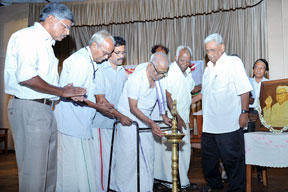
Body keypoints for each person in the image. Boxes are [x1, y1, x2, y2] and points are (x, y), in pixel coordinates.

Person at [4, 3, 86, 192]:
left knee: (48, 170)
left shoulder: (46, 43)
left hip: (45, 108)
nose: (67, 33)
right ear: (51, 19)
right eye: (65, 26)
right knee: (34, 171)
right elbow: (26, 77)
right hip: (30, 107)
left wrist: (62, 91)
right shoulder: (27, 37)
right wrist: (60, 92)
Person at [54, 30, 115, 191]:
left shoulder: (89, 61)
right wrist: (99, 107)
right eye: (106, 53)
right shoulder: (81, 62)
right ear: (94, 45)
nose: (107, 57)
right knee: (79, 171)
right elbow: (75, 96)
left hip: (77, 124)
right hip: (73, 125)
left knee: (74, 171)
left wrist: (100, 104)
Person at [193, 33, 252, 192]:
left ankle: (237, 189)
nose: (210, 54)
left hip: (229, 125)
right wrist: (185, 103)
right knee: (208, 162)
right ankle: (215, 186)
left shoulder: (233, 62)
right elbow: (203, 93)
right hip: (209, 126)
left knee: (233, 162)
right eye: (207, 51)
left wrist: (244, 112)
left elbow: (244, 89)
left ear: (222, 47)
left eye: (213, 50)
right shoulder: (207, 69)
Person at [114, 52, 170, 192]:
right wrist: (151, 123)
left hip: (145, 119)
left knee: (148, 154)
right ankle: (125, 189)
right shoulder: (136, 78)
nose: (161, 76)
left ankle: (145, 188)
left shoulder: (159, 76)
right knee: (129, 157)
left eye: (164, 73)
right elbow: (133, 108)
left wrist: (164, 115)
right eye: (159, 72)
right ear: (151, 66)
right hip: (129, 119)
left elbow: (161, 97)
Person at [154, 46, 198, 190]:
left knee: (185, 153)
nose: (184, 62)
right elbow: (167, 95)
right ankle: (169, 183)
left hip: (184, 118)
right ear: (176, 58)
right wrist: (176, 117)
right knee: (170, 154)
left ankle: (183, 182)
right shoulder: (171, 71)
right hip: (173, 119)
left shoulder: (187, 73)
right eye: (182, 59)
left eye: (187, 60)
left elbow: (189, 92)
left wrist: (205, 87)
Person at [91, 36, 133, 191]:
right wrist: (121, 116)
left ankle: (112, 187)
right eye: (117, 52)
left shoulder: (122, 72)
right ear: (108, 53)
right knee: (102, 162)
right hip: (101, 124)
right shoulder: (100, 70)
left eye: (123, 52)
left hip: (116, 124)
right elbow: (101, 101)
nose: (121, 56)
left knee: (115, 160)